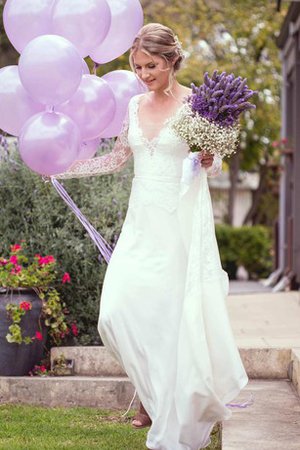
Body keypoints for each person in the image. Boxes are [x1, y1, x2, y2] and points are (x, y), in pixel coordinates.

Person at [55, 23, 248, 450]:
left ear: (172, 61)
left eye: (152, 66)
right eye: (139, 66)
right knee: (115, 312)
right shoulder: (135, 105)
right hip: (141, 225)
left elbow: (212, 166)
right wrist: (63, 166)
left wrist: (210, 157)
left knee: (172, 321)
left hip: (177, 224)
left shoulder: (199, 104)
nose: (144, 74)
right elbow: (118, 157)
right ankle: (158, 396)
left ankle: (171, 409)